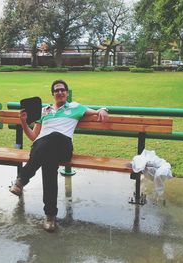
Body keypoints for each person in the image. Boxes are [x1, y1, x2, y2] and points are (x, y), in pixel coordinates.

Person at [9, 79, 109, 232]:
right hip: (43, 149)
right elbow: (34, 136)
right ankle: (50, 216)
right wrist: (23, 122)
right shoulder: (44, 111)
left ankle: (22, 179)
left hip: (63, 147)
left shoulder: (76, 107)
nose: (60, 92)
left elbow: (97, 111)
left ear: (67, 93)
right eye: (56, 90)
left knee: (54, 136)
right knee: (48, 165)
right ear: (52, 94)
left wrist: (103, 109)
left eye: (62, 90)